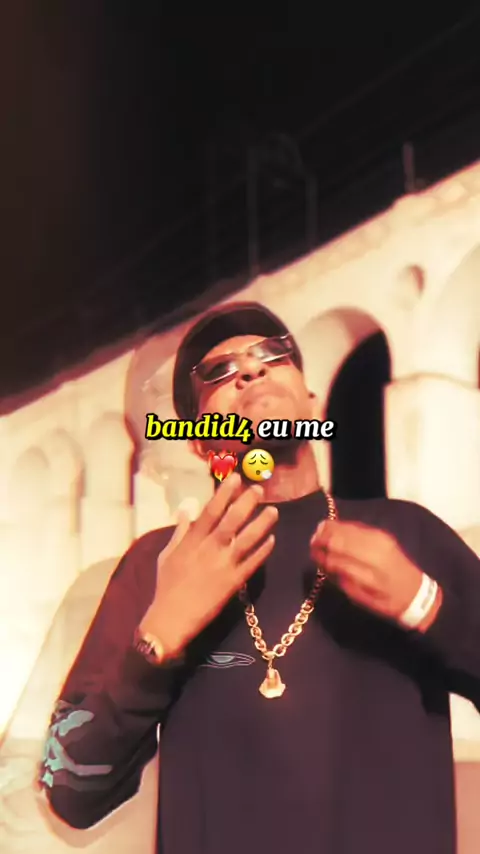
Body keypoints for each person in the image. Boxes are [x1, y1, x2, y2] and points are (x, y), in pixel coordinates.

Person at [38, 301, 480, 854]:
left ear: (311, 402)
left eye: (273, 356)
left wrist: (425, 605)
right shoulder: (161, 562)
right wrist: (156, 641)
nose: (250, 370)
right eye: (219, 372)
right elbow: (69, 791)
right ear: (200, 440)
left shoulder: (408, 533)